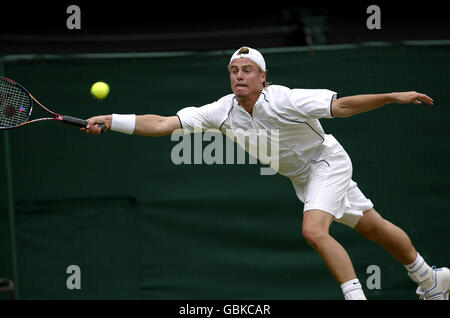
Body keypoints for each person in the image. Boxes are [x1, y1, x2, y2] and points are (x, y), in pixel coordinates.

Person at [84, 46, 449, 300]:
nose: (239, 76)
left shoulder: (286, 99)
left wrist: (393, 96)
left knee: (313, 231)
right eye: (233, 71)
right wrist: (112, 119)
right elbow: (164, 123)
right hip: (303, 178)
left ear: (263, 77)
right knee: (372, 227)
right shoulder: (222, 110)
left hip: (327, 162)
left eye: (247, 71)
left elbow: (341, 106)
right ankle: (429, 279)